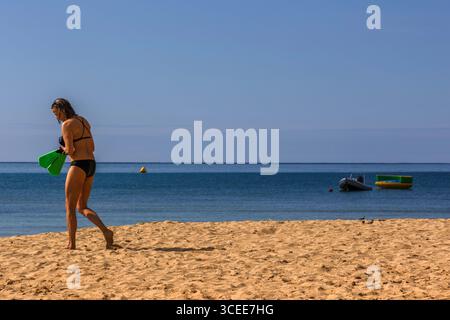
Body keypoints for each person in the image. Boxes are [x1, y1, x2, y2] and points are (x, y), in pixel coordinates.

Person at [51, 98, 114, 249]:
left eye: (56, 113)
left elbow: (71, 150)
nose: (56, 117)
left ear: (62, 109)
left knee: (70, 207)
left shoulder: (66, 124)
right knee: (82, 206)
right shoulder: (84, 121)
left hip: (78, 165)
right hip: (91, 164)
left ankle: (72, 244)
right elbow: (92, 146)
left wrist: (63, 149)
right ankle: (106, 232)